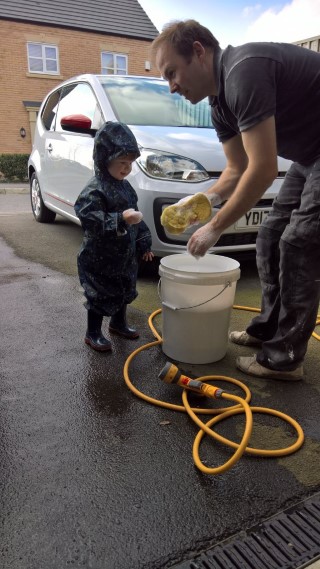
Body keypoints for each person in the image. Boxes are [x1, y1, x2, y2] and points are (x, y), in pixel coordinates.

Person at [151, 20, 320, 381]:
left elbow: (262, 170)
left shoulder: (244, 72)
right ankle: (266, 333)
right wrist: (201, 203)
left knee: (298, 245)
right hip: (309, 157)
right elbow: (236, 168)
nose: (171, 87)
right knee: (271, 236)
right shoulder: (218, 105)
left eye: (172, 73)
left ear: (198, 51)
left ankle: (285, 360)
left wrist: (214, 228)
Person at [74, 122, 154, 352]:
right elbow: (88, 217)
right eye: (121, 163)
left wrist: (144, 242)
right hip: (99, 257)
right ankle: (93, 332)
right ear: (104, 158)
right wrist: (120, 219)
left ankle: (119, 324)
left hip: (124, 256)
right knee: (99, 294)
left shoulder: (126, 188)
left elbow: (137, 218)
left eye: (129, 163)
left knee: (123, 289)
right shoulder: (95, 189)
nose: (126, 168)